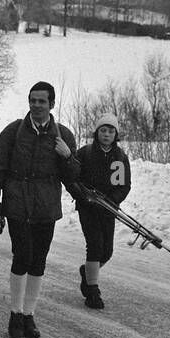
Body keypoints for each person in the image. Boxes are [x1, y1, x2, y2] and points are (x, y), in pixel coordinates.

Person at [0, 81, 80, 338]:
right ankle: (15, 314)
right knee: (22, 255)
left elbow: (73, 177)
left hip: (46, 207)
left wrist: (68, 156)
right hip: (17, 205)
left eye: (42, 101)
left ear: (51, 104)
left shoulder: (63, 136)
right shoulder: (13, 132)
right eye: (33, 100)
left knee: (39, 260)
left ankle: (29, 314)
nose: (36, 105)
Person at [70, 113, 131, 310]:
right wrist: (83, 196)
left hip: (108, 208)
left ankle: (87, 272)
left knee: (107, 251)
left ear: (116, 134)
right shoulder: (85, 153)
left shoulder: (120, 157)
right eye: (103, 130)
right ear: (97, 133)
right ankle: (93, 291)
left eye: (111, 131)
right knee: (95, 246)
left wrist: (113, 200)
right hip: (88, 207)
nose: (106, 134)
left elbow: (124, 185)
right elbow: (72, 178)